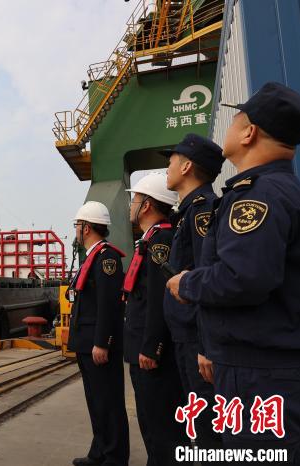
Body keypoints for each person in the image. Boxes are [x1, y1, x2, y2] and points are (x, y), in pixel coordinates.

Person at [167, 82, 300, 456]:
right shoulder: (276, 189)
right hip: (260, 368)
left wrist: (188, 283)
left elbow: (244, 278)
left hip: (259, 375)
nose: (227, 128)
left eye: (234, 119)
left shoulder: (258, 195)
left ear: (248, 132)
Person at [161, 133, 224, 453]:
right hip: (186, 337)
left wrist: (205, 345)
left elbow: (207, 282)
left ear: (186, 167)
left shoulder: (201, 213)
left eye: (170, 162)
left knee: (210, 431)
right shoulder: (188, 212)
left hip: (196, 341)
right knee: (200, 429)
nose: (166, 169)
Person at [124, 172, 185, 465]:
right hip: (141, 346)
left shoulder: (161, 240)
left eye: (135, 199)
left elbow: (159, 298)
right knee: (151, 423)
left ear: (146, 205)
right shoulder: (150, 240)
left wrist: (152, 347)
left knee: (162, 428)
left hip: (150, 351)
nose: (131, 205)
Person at [68, 201, 129, 466]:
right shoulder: (93, 256)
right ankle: (99, 452)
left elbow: (108, 304)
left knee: (109, 402)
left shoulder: (106, 258)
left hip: (98, 344)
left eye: (77, 226)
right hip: (86, 342)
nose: (76, 231)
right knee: (96, 402)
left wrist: (103, 342)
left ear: (87, 227)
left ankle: (114, 457)